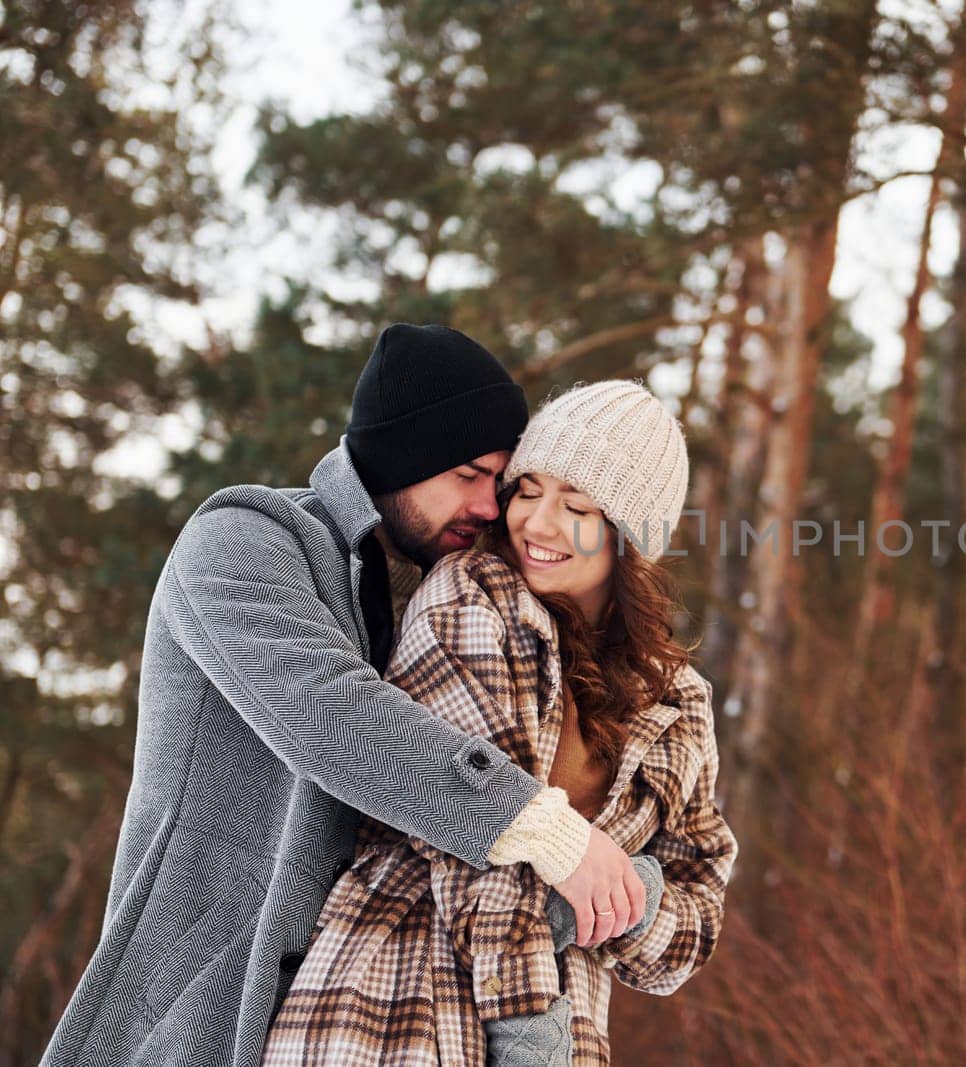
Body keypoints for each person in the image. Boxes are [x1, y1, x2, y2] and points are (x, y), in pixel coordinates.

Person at [43, 326, 645, 1067]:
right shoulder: (243, 540)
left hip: (354, 1021)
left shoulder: (455, 598)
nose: (492, 506)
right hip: (199, 1009)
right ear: (402, 454)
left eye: (500, 480)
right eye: (468, 473)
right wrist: (546, 832)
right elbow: (328, 711)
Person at [262, 380, 737, 1067]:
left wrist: (621, 900)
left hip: (568, 1030)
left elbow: (700, 906)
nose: (537, 524)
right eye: (528, 489)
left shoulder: (677, 699)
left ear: (630, 539)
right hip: (394, 1010)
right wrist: (529, 1038)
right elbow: (477, 837)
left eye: (576, 505)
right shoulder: (468, 596)